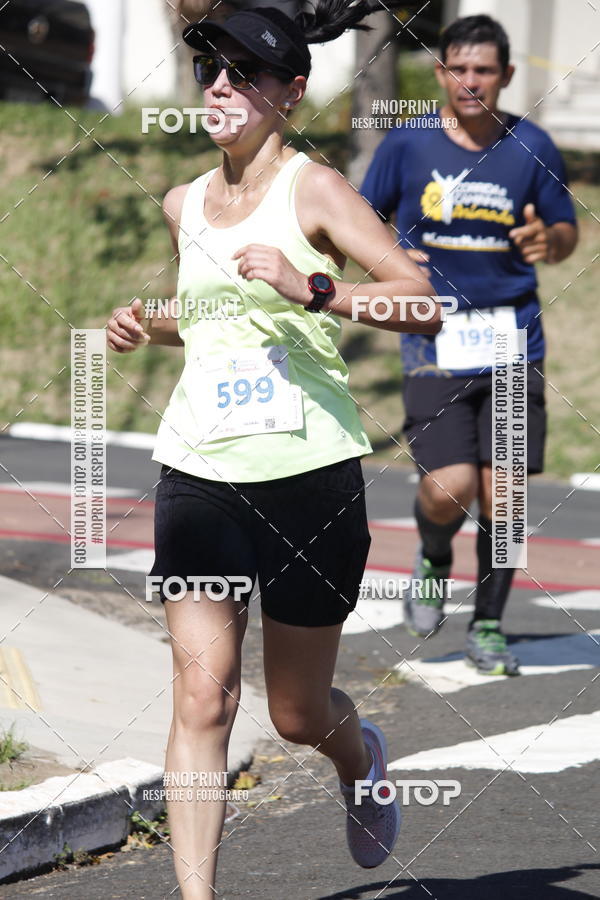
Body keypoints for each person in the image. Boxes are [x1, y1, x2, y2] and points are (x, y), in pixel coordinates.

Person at [107, 4, 441, 896]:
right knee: (201, 698)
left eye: (245, 73)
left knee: (296, 714)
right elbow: (219, 321)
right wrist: (153, 324)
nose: (222, 86)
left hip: (308, 476)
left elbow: (421, 298)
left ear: (289, 94)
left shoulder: (317, 190)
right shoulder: (183, 203)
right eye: (212, 71)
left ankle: (357, 753)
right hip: (200, 470)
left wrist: (316, 286)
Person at [361, 14, 578, 676]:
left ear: (506, 77)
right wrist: (392, 258)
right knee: (447, 490)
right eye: (459, 68)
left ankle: (488, 623)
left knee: (505, 497)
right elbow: (363, 218)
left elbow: (565, 229)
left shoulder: (531, 144)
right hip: (436, 341)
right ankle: (432, 556)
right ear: (441, 73)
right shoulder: (408, 144)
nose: (471, 81)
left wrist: (552, 242)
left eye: (484, 69)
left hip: (514, 342)